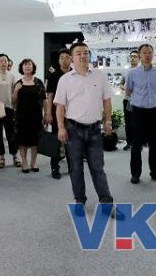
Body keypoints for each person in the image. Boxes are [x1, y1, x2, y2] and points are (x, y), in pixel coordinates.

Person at [54, 42, 118, 217]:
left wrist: (108, 121)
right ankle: (79, 200)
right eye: (78, 53)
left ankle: (106, 203)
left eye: (86, 52)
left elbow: (107, 101)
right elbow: (60, 106)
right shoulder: (65, 79)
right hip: (73, 129)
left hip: (94, 129)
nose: (83, 56)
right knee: (75, 168)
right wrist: (61, 128)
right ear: (72, 58)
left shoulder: (99, 76)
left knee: (98, 168)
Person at [126, 44, 156, 184]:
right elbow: (128, 91)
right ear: (139, 55)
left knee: (155, 144)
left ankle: (155, 172)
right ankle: (135, 173)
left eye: (150, 52)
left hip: (154, 111)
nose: (147, 55)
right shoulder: (132, 73)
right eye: (144, 53)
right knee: (136, 144)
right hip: (138, 112)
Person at [13, 59, 46, 173]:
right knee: (22, 140)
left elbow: (44, 99)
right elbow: (13, 101)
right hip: (21, 116)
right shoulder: (18, 83)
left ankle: (33, 162)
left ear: (33, 67)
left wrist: (47, 113)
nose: (27, 67)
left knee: (34, 140)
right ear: (21, 68)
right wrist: (16, 90)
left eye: (29, 64)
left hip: (36, 115)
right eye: (25, 65)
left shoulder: (38, 82)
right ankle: (24, 162)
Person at [45, 48, 72, 179]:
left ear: (71, 59)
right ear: (58, 60)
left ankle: (72, 166)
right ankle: (55, 167)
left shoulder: (75, 74)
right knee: (57, 139)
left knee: (72, 140)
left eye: (67, 57)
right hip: (57, 112)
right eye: (62, 57)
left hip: (73, 112)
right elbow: (50, 95)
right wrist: (48, 112)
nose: (64, 60)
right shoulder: (54, 75)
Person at [0, 53, 19, 168]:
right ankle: (1, 157)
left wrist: (15, 106)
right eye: (1, 61)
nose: (3, 63)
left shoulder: (12, 76)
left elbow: (15, 93)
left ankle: (15, 156)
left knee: (11, 133)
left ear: (8, 63)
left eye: (5, 61)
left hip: (9, 107)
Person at [120, 50, 139, 151]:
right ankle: (129, 143)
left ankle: (138, 144)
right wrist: (124, 88)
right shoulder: (125, 70)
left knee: (137, 123)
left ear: (139, 58)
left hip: (139, 101)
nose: (132, 58)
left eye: (135, 56)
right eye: (131, 56)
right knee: (128, 122)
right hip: (127, 100)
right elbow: (121, 83)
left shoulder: (142, 71)